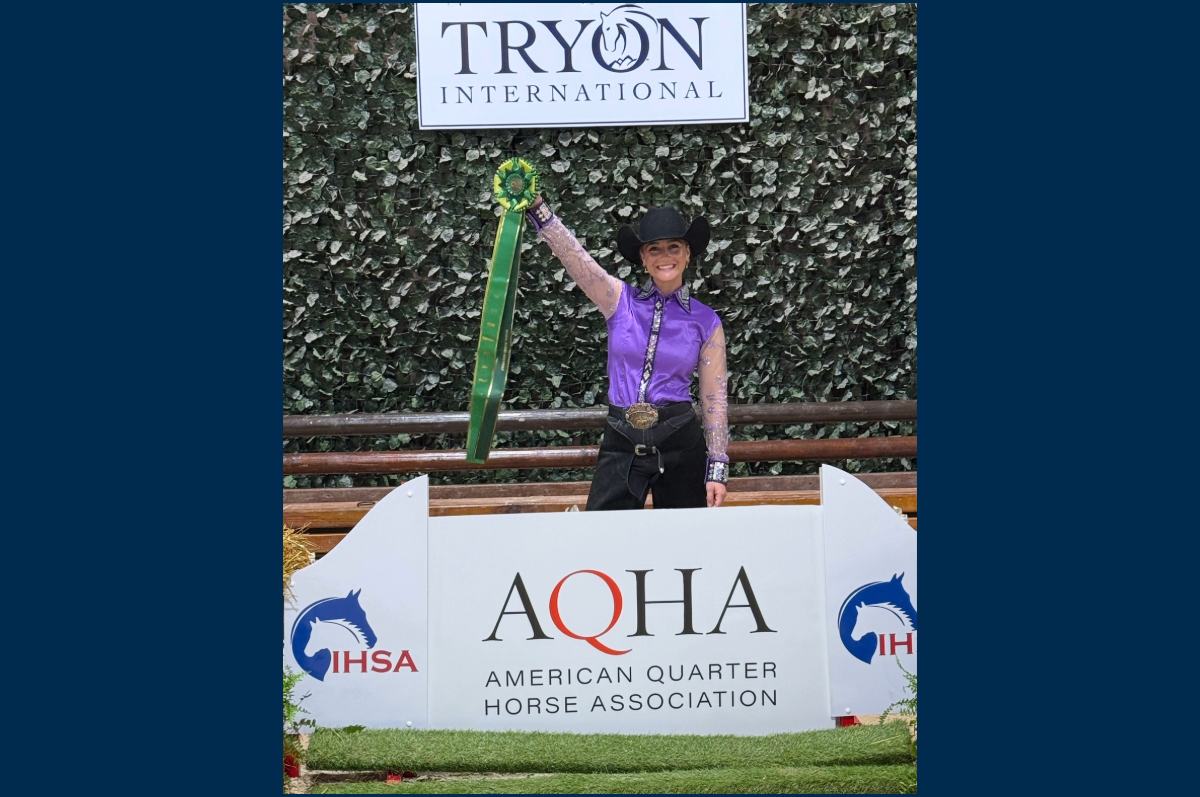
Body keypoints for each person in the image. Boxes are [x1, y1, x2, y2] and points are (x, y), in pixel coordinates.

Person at [525, 194, 729, 510]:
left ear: (688, 253)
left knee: (685, 545)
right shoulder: (619, 300)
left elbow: (714, 397)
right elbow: (576, 260)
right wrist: (539, 211)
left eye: (674, 247)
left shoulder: (706, 320)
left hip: (679, 443)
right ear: (643, 258)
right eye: (654, 249)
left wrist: (717, 466)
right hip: (622, 439)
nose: (665, 256)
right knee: (602, 541)